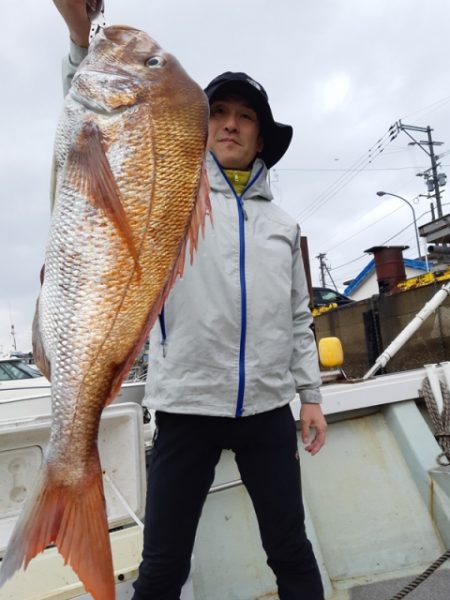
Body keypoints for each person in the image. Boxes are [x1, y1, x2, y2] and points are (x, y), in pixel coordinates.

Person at [53, 2, 328, 599]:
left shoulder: (283, 225)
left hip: (267, 411)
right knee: (164, 565)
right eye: (219, 112)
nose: (230, 124)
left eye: (245, 116)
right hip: (185, 408)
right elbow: (95, 133)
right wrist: (81, 41)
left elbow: (298, 319)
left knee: (292, 551)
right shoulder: (169, 199)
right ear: (198, 125)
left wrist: (310, 397)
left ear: (261, 136)